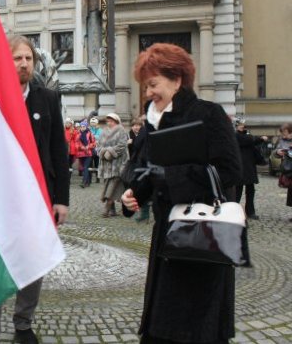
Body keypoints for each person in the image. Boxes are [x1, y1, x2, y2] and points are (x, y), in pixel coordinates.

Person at [121, 43, 241, 344]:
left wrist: (171, 177)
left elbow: (229, 170)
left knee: (197, 329)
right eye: (145, 86)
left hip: (204, 236)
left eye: (152, 84)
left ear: (176, 80)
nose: (148, 93)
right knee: (161, 326)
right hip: (167, 237)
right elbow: (141, 169)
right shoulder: (152, 122)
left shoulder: (209, 114)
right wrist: (132, 193)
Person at [0, 35, 69, 344]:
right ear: (6, 61)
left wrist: (62, 200)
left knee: (33, 262)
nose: (25, 63)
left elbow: (59, 150)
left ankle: (23, 323)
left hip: (37, 197)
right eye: (18, 58)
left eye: (29, 58)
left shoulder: (48, 99)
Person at [234, 117, 268, 220]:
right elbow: (249, 140)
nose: (242, 126)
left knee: (250, 191)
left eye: (242, 124)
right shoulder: (235, 135)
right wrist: (261, 138)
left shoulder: (246, 135)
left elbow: (252, 143)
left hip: (248, 167)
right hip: (239, 167)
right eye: (240, 125)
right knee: (237, 192)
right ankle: (233, 211)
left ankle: (250, 211)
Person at [97, 113, 129, 218]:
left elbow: (122, 145)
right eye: (108, 121)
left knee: (113, 186)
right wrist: (103, 152)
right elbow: (99, 145)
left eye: (111, 121)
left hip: (118, 163)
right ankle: (113, 210)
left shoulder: (121, 131)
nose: (109, 123)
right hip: (106, 164)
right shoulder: (103, 132)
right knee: (107, 184)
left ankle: (107, 208)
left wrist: (110, 152)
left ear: (116, 121)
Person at [274, 123, 292, 222]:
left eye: (285, 133)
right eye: (282, 133)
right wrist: (278, 152)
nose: (284, 135)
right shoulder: (281, 141)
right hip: (288, 169)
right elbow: (275, 153)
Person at [76, 120, 96, 188]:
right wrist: (81, 147)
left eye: (84, 126)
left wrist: (88, 146)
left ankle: (84, 182)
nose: (82, 128)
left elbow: (94, 143)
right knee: (85, 168)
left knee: (85, 167)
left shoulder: (90, 134)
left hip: (88, 154)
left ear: (86, 127)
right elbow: (76, 143)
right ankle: (88, 182)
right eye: (81, 126)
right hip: (81, 154)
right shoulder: (78, 134)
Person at [88, 117, 102, 183]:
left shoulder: (100, 130)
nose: (93, 124)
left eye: (94, 123)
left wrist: (94, 136)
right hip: (90, 149)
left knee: (97, 164)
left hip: (97, 149)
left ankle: (97, 177)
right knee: (90, 164)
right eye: (92, 123)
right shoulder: (88, 130)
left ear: (97, 123)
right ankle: (89, 178)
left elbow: (101, 137)